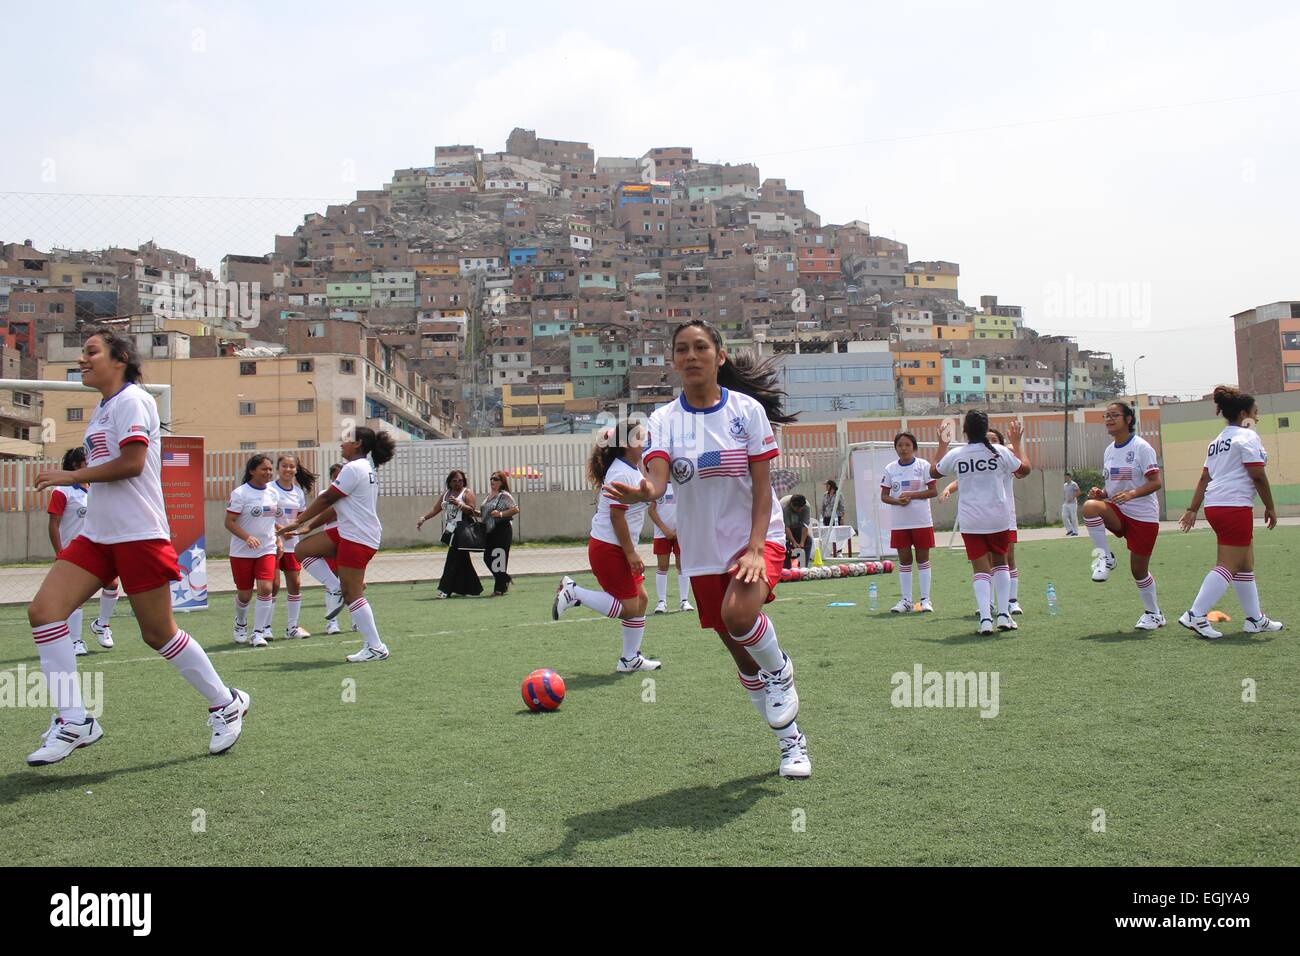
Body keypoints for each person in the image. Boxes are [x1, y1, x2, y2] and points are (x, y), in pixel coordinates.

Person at [28, 330, 249, 765]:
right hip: (97, 534)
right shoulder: (105, 406)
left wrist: (71, 476)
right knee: (44, 612)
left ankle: (226, 702)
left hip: (138, 534)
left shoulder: (133, 400)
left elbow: (131, 465)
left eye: (92, 352)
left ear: (120, 358)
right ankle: (74, 720)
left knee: (157, 633)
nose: (83, 358)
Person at [604, 319, 810, 779]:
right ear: (673, 361)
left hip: (757, 538)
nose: (691, 355)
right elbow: (657, 479)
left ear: (719, 356)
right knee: (741, 657)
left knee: (740, 617)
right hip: (700, 554)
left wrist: (757, 548)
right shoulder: (662, 421)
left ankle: (782, 672)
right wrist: (643, 491)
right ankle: (791, 744)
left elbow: (763, 488)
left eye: (701, 347)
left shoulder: (747, 411)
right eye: (682, 349)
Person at [279, 427, 396, 662]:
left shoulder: (355, 468)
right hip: (348, 533)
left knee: (352, 593)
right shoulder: (363, 468)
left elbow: (327, 498)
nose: (342, 444)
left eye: (346, 440)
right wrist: (310, 527)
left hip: (358, 537)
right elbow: (334, 506)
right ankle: (334, 587)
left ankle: (375, 647)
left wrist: (299, 520)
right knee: (302, 550)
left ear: (358, 444)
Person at [1177, 386, 1284, 639]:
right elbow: (1257, 474)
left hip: (1217, 504)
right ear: (1245, 413)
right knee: (1229, 565)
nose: (1257, 418)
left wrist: (1193, 508)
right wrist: (1270, 506)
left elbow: (1205, 477)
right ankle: (1195, 614)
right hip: (1234, 505)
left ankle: (1255, 619)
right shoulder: (1247, 436)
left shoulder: (1217, 441)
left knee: (1244, 565)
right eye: (1255, 413)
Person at [552, 423, 660, 673]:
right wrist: (631, 553)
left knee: (641, 600)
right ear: (626, 444)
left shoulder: (630, 468)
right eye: (641, 437)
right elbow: (616, 517)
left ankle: (629, 659)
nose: (646, 440)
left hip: (616, 547)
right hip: (610, 548)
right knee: (629, 607)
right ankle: (573, 592)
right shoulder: (623, 473)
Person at [933, 413, 1031, 634]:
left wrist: (942, 445)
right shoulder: (1001, 452)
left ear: (965, 431)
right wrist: (1016, 443)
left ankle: (986, 619)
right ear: (986, 427)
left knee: (980, 570)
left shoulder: (957, 454)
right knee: (1001, 564)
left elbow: (934, 471)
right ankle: (1004, 615)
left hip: (971, 520)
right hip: (998, 517)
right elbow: (1025, 470)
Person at [1081, 402, 1166, 630]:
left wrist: (1132, 494)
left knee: (1138, 571)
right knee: (1090, 506)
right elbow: (1113, 486)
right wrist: (1102, 493)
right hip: (1120, 512)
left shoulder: (1142, 447)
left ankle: (1154, 614)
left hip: (1143, 517)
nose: (1109, 419)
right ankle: (1104, 557)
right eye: (1106, 416)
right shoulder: (1109, 450)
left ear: (1128, 419)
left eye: (1114, 415)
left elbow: (1155, 482)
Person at [46, 447, 118, 656]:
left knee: (112, 584)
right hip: (73, 551)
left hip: (99, 546)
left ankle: (102, 625)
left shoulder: (97, 487)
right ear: (77, 465)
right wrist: (59, 552)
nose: (93, 463)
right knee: (76, 597)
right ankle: (75, 640)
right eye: (88, 461)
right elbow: (53, 524)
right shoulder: (62, 490)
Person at [224, 454, 284, 648]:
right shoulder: (240, 494)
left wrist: (278, 538)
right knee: (244, 594)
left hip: (267, 549)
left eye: (269, 469)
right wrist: (247, 537)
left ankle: (258, 633)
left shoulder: (273, 493)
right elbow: (229, 522)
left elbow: (271, 520)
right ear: (252, 471)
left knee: (266, 588)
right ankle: (240, 623)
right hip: (242, 552)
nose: (268, 473)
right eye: (264, 469)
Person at [880, 432, 938, 613]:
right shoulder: (890, 468)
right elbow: (884, 496)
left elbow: (933, 492)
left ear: (914, 447)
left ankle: (925, 600)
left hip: (921, 521)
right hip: (900, 524)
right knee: (905, 561)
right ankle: (906, 601)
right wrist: (898, 501)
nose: (903, 449)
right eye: (900, 445)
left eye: (907, 445)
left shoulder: (923, 466)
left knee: (923, 560)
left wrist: (912, 495)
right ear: (895, 448)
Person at [299, 462, 347, 634]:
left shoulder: (352, 492)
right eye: (335, 477)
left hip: (348, 538)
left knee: (353, 584)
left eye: (341, 476)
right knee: (333, 583)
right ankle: (332, 623)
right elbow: (328, 514)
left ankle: (357, 620)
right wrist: (305, 525)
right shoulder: (326, 494)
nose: (338, 479)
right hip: (330, 541)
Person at [419, 470, 483, 598]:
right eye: (454, 480)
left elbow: (471, 509)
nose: (458, 483)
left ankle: (445, 589)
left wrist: (459, 504)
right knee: (463, 561)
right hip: (451, 530)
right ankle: (472, 589)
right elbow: (435, 509)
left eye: (460, 480)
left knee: (452, 559)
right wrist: (424, 518)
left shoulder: (467, 493)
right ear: (449, 482)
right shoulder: (446, 494)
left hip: (462, 530)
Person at [272, 454, 315, 638]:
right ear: (278, 468)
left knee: (295, 585)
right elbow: (265, 517)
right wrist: (280, 530)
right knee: (272, 587)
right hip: (272, 545)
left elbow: (301, 518)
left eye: (291, 467)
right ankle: (264, 628)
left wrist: (295, 530)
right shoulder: (269, 489)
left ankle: (292, 628)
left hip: (292, 546)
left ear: (296, 470)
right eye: (284, 466)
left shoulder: (298, 493)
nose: (288, 469)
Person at [648, 481, 693, 614]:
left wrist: (679, 529)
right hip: (662, 534)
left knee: (682, 565)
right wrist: (665, 530)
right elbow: (651, 510)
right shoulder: (657, 486)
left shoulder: (682, 485)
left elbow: (689, 510)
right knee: (662, 566)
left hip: (681, 533)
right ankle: (661, 602)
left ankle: (684, 600)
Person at [481, 470, 519, 596]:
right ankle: (504, 578)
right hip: (490, 530)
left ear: (502, 482)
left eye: (496, 479)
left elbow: (515, 509)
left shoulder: (504, 495)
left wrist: (501, 514)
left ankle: (499, 589)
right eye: (491, 478)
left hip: (502, 529)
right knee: (487, 557)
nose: (492, 481)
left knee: (500, 558)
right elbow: (485, 514)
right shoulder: (488, 497)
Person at [783, 494, 812, 568]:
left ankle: (803, 567)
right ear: (792, 505)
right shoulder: (784, 507)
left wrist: (802, 543)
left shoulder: (806, 507)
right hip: (784, 529)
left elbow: (805, 526)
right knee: (784, 543)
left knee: (808, 540)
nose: (799, 510)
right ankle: (786, 568)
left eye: (800, 508)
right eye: (797, 508)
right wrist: (794, 542)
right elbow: (786, 528)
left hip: (798, 527)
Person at [821, 479, 847, 555]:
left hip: (836, 516)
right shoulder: (825, 495)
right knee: (827, 533)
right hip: (827, 517)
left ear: (831, 486)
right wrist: (823, 515)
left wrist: (842, 517)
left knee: (837, 533)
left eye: (827, 485)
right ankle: (828, 550)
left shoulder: (839, 494)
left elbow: (842, 507)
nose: (826, 487)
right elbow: (823, 506)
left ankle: (839, 551)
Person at [1062, 471, 1081, 536]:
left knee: (1073, 518)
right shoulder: (1065, 485)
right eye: (1065, 477)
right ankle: (1070, 530)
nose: (1066, 479)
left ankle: (1075, 532)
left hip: (1073, 503)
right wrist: (1065, 500)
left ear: (1070, 477)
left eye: (1067, 477)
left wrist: (1072, 498)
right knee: (1064, 516)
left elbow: (1078, 492)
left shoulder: (1074, 484)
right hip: (1066, 503)